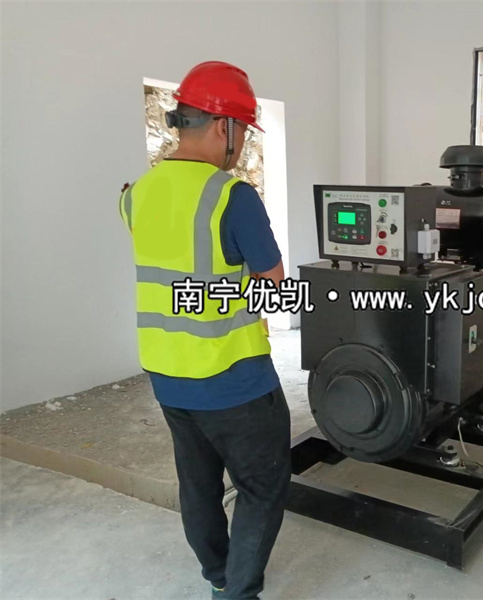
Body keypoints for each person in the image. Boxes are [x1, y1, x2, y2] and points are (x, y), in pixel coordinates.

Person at [119, 61, 290, 600]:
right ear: (223, 126)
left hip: (167, 376)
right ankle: (237, 592)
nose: (242, 144)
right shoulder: (230, 196)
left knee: (198, 484)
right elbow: (274, 286)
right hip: (233, 377)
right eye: (243, 131)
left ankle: (218, 575)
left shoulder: (137, 193)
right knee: (262, 485)